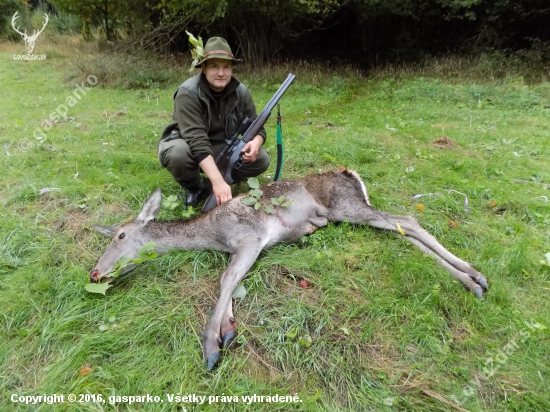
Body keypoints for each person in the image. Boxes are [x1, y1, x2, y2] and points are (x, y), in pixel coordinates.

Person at [158, 36, 270, 208]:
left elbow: (257, 126)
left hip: (223, 147)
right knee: (177, 154)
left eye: (226, 67)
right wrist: (218, 180)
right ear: (203, 68)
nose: (221, 73)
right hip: (189, 147)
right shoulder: (187, 93)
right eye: (214, 66)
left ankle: (215, 184)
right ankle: (195, 187)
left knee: (261, 158)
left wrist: (256, 142)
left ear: (232, 68)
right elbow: (197, 141)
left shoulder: (241, 92)